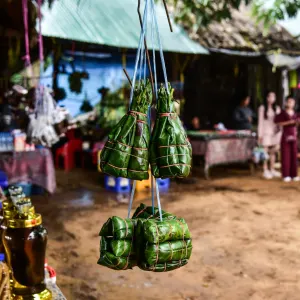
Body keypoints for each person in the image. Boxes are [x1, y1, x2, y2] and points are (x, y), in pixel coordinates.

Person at [275, 96, 300, 182]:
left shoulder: (296, 114)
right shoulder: (282, 113)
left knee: (294, 155)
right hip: (285, 135)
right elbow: (277, 122)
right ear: (286, 103)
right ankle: (285, 175)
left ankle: (294, 174)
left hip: (294, 135)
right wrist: (289, 122)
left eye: (292, 102)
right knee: (285, 155)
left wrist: (297, 123)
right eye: (289, 101)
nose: (290, 103)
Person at [258, 91, 282, 179]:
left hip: (274, 132)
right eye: (270, 96)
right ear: (267, 98)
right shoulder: (262, 108)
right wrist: (260, 135)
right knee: (265, 151)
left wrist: (279, 131)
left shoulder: (277, 108)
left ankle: (272, 169)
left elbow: (280, 121)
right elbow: (260, 122)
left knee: (273, 151)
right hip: (265, 132)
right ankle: (265, 170)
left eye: (274, 96)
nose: (272, 98)